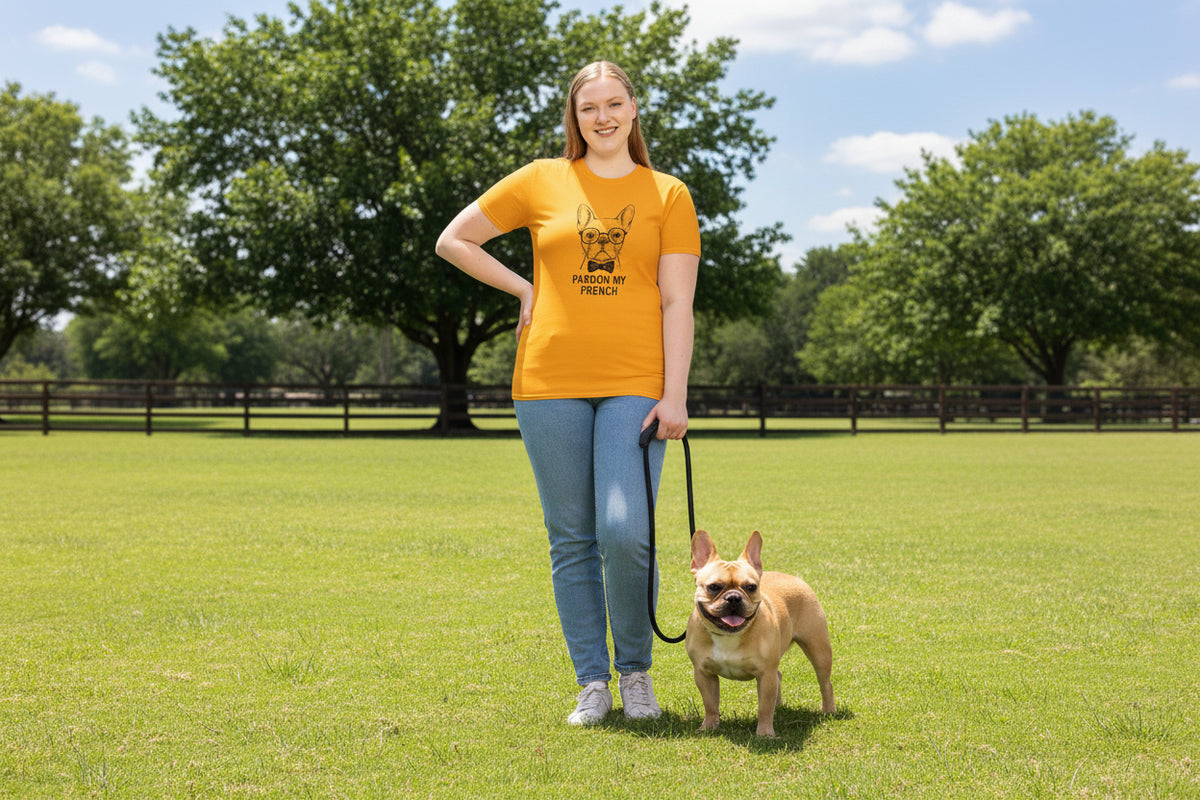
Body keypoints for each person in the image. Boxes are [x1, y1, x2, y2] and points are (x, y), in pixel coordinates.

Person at [435, 61, 701, 726]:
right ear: (574, 118)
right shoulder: (540, 180)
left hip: (637, 384)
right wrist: (524, 289)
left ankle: (635, 671)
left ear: (634, 110)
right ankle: (592, 683)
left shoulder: (669, 194)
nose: (603, 117)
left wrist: (675, 395)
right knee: (572, 537)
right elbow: (454, 240)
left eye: (615, 104)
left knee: (624, 530)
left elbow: (677, 303)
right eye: (590, 108)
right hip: (547, 380)